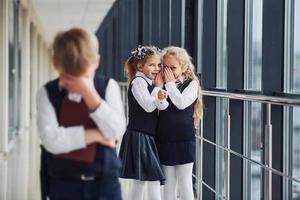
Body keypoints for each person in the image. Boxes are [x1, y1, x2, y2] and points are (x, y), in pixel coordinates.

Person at [36, 27, 126, 200]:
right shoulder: (47, 93)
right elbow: (51, 140)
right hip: (63, 184)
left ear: (54, 62)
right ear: (97, 61)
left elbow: (116, 131)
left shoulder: (107, 87)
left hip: (105, 183)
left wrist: (90, 95)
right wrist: (96, 135)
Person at [118, 45, 168, 200]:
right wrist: (158, 89)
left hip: (146, 136)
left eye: (159, 65)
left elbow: (161, 105)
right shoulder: (138, 82)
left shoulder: (150, 84)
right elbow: (148, 106)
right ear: (140, 66)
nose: (156, 68)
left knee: (141, 182)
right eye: (152, 65)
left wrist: (160, 96)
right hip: (140, 136)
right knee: (150, 180)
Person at [156, 46, 203, 200]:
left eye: (173, 68)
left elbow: (181, 103)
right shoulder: (160, 84)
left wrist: (169, 84)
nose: (168, 72)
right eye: (165, 67)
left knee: (185, 182)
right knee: (167, 183)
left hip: (184, 139)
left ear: (183, 67)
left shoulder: (192, 84)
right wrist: (160, 86)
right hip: (164, 138)